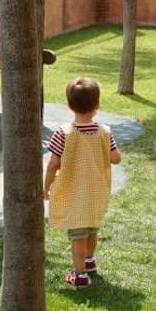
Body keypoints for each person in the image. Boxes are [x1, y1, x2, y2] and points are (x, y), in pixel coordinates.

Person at [44, 77, 122, 289]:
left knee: (78, 235)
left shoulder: (63, 133)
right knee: (92, 229)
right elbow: (116, 158)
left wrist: (46, 187)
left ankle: (79, 275)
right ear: (97, 105)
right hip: (97, 192)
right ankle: (89, 260)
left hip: (74, 193)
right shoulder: (105, 132)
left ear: (69, 106)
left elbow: (53, 165)